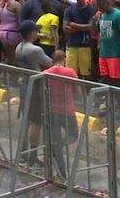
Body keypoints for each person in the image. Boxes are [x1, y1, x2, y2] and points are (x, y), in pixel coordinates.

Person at [15, 19, 52, 167]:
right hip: (36, 86)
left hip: (24, 83)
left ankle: (23, 152)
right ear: (31, 33)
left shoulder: (19, 47)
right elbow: (49, 63)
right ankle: (32, 155)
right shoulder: (35, 50)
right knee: (36, 122)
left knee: (27, 119)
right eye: (36, 31)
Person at [44, 50, 79, 180]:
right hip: (67, 110)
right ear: (64, 59)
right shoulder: (69, 72)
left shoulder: (46, 73)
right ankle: (58, 146)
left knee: (56, 139)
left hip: (52, 110)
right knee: (73, 134)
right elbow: (78, 90)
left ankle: (62, 172)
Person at [63, 0, 95, 80]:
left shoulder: (90, 9)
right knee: (70, 73)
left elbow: (90, 27)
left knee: (85, 74)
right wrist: (82, 28)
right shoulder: (69, 10)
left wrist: (74, 25)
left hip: (85, 45)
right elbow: (65, 28)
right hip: (72, 44)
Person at [95, 0, 120, 87]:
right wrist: (99, 43)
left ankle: (116, 100)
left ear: (107, 3)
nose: (99, 8)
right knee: (104, 78)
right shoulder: (102, 15)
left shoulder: (118, 15)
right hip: (103, 52)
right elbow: (100, 31)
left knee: (115, 79)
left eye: (100, 5)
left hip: (114, 53)